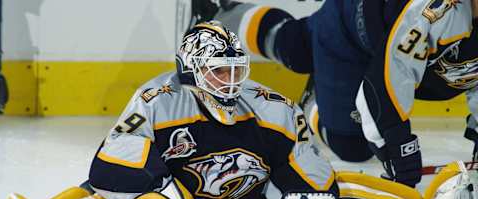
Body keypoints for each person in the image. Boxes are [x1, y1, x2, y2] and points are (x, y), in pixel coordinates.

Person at [1, 21, 478, 199]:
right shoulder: (156, 101)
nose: (229, 81)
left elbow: (318, 187)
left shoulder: (271, 108)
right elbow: (110, 176)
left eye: (235, 70)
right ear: (191, 69)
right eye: (218, 71)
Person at [194, 0, 478, 188]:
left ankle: (309, 45)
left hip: (391, 45)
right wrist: (402, 155)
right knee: (351, 144)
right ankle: (223, 17)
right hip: (348, 34)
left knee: (303, 47)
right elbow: (385, 86)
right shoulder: (433, 10)